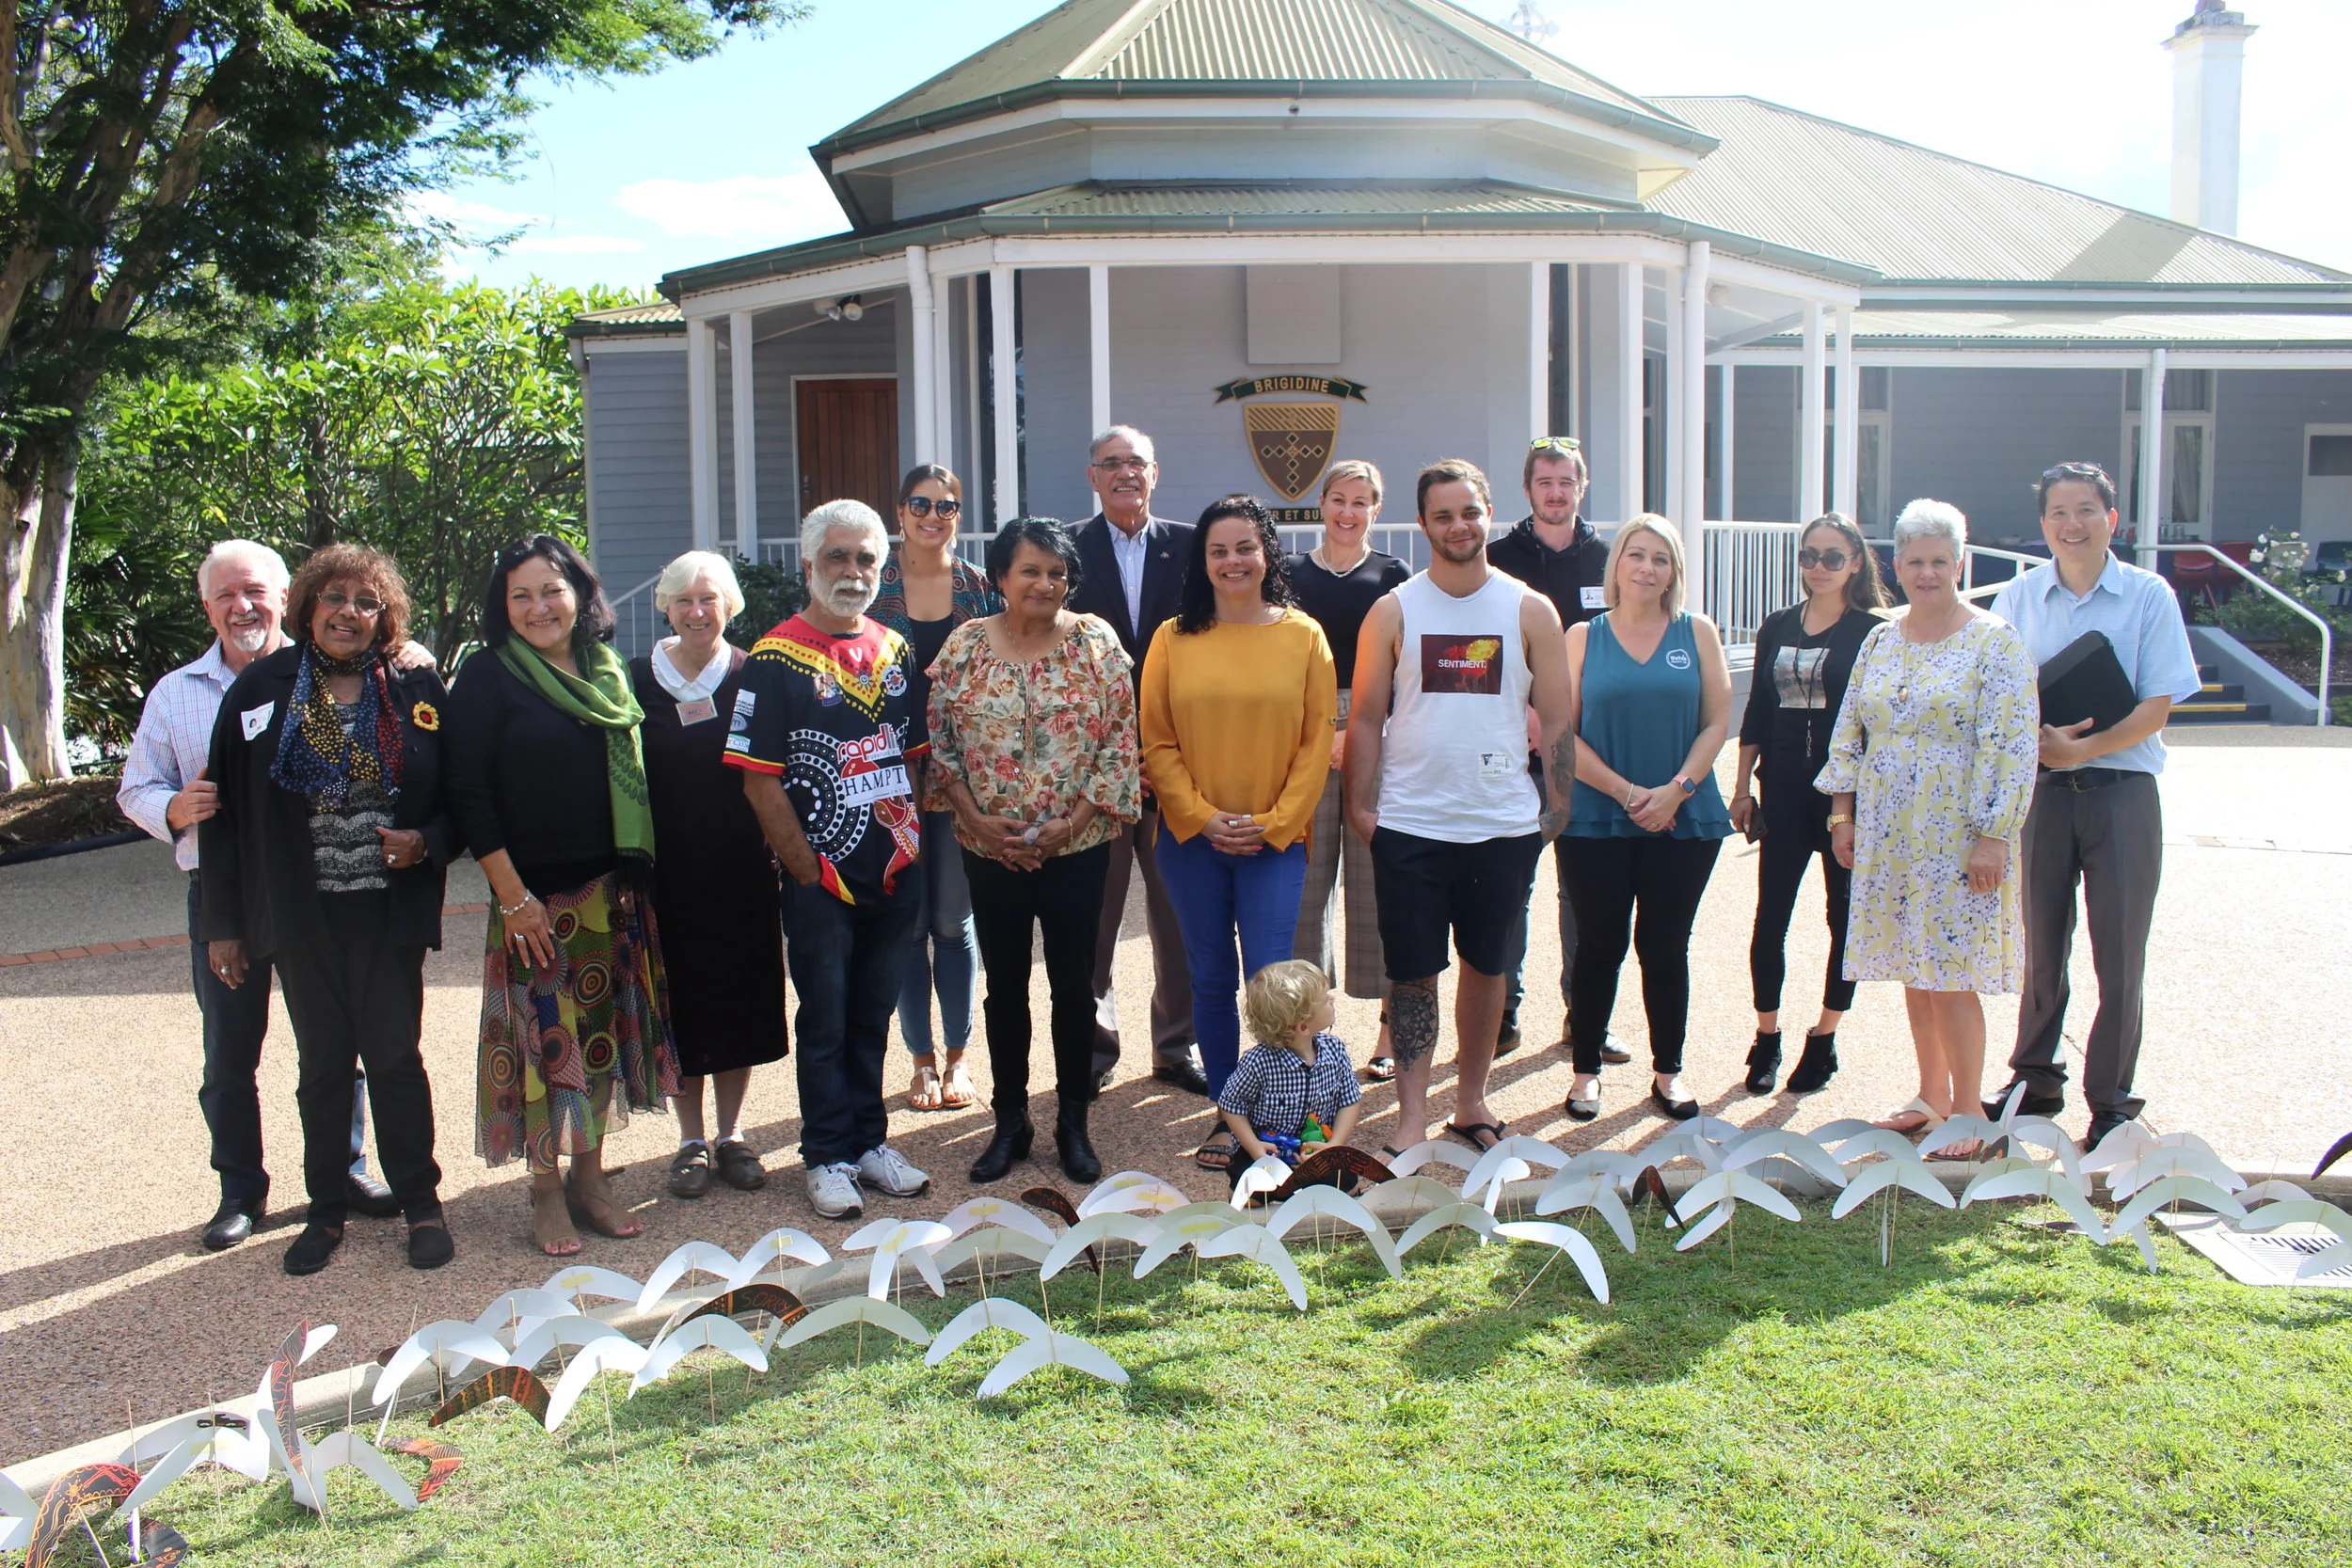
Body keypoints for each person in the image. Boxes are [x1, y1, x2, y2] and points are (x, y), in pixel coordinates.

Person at [118, 540, 396, 1252]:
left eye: (256, 592)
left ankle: (345, 1169)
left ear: (285, 599)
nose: (242, 606)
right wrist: (175, 809)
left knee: (334, 1043)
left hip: (315, 892)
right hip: (226, 894)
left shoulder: (324, 677)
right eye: (225, 595)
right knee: (230, 1050)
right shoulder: (176, 692)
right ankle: (240, 1188)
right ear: (207, 606)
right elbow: (135, 788)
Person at [199, 544, 454, 1275]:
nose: (350, 612)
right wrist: (226, 924)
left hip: (386, 911)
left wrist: (425, 842)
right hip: (300, 916)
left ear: (385, 616)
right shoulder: (258, 691)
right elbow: (224, 820)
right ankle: (326, 1210)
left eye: (367, 601)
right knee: (322, 1067)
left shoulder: (413, 686)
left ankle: (422, 1203)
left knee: (397, 1059)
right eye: (336, 597)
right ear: (308, 605)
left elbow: (457, 799)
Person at [445, 534, 680, 1256]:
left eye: (552, 590)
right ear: (502, 607)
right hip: (536, 902)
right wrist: (514, 896)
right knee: (547, 1049)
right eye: (521, 594)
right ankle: (545, 1190)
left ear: (579, 595)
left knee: (603, 1041)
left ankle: (591, 1177)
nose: (539, 606)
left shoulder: (610, 671)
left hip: (612, 894)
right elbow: (469, 793)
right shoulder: (487, 678)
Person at [1344, 459, 1576, 1155]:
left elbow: (1559, 718)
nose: (1458, 526)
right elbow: (1363, 717)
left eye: (1469, 512)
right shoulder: (1395, 609)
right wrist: (1362, 808)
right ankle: (1413, 1116)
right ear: (1422, 524)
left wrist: (1554, 810)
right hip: (1412, 823)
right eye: (1442, 515)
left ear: (1489, 513)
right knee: (1413, 974)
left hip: (1500, 825)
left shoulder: (1528, 608)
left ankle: (1471, 1101)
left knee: (1487, 967)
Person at [726, 499, 932, 1221]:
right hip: (822, 878)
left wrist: (914, 849)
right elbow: (759, 778)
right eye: (838, 557)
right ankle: (826, 1154)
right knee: (827, 1015)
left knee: (874, 1012)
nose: (853, 571)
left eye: (866, 559)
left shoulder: (895, 648)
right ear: (809, 564)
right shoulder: (774, 657)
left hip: (895, 871)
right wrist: (807, 870)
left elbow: (913, 761)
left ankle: (870, 1143)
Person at [1990, 463, 2201, 1150]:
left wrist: (2087, 747)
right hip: (2044, 798)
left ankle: (2111, 1099)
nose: (2071, 523)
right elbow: (1995, 698)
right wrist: (2040, 745)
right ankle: (2034, 1078)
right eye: (2057, 511)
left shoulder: (2147, 595)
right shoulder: (2019, 598)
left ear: (2113, 519)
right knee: (2041, 947)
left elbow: (2158, 704)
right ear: (2044, 523)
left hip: (2123, 799)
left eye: (2085, 510)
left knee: (2120, 954)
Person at [924, 517, 1141, 1184]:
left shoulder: (1097, 642)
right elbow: (942, 745)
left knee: (1074, 988)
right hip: (989, 851)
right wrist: (979, 822)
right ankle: (1010, 1121)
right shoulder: (962, 648)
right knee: (1005, 990)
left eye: (1057, 573)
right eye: (1030, 571)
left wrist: (1070, 821)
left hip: (1075, 847)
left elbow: (1117, 741)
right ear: (1000, 579)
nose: (1045, 583)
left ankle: (1072, 1121)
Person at [1820, 500, 2040, 1155]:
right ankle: (1932, 1094)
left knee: (1950, 971)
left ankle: (1971, 1112)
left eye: (1939, 560)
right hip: (1892, 832)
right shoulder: (1881, 639)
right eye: (1914, 560)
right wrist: (1841, 811)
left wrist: (1996, 834)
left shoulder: (1993, 641)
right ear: (1896, 564)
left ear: (1959, 563)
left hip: (1960, 834)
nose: (1926, 572)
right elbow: (1851, 728)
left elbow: (2014, 743)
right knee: (1914, 967)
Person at [1142, 495, 1337, 1168]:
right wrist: (1200, 815)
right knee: (1208, 977)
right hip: (1192, 842)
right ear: (1203, 560)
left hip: (1274, 844)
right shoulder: (1172, 638)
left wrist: (1277, 823)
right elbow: (1157, 741)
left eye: (1245, 548)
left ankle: (1282, 1111)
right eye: (1219, 550)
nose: (1233, 561)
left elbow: (1318, 740)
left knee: (1271, 980)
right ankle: (1230, 1116)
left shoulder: (1304, 635)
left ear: (1267, 554)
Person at [1559, 515, 1736, 1125]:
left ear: (1674, 572)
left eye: (1660, 559)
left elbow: (1717, 720)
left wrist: (1677, 789)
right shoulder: (1584, 636)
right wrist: (1630, 791)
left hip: (1682, 820)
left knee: (1665, 946)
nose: (1646, 568)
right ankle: (1586, 1072)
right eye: (1636, 555)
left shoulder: (1699, 632)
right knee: (1599, 945)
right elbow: (1562, 731)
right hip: (1595, 820)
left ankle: (1669, 1071)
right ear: (1618, 566)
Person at [629, 550, 787, 1200]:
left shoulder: (753, 674)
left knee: (739, 998)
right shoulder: (637, 677)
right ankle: (689, 1140)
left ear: (729, 606)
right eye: (685, 600)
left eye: (710, 599)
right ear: (666, 606)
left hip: (741, 866)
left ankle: (731, 1134)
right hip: (667, 870)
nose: (698, 612)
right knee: (682, 1002)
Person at [1727, 513, 1887, 1097]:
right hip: (1783, 794)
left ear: (1855, 564)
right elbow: (1757, 714)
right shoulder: (1777, 626)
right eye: (1810, 555)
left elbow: (1877, 722)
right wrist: (1743, 787)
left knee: (1843, 918)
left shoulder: (1873, 632)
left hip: (1849, 799)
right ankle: (1766, 1036)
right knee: (1772, 917)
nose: (1818, 567)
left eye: (1833, 557)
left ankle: (1824, 1038)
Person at [1068, 425, 1206, 1095]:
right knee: (1093, 916)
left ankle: (1177, 1045)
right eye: (1111, 463)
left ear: (1156, 473)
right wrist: (1114, 755)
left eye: (1136, 463)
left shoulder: (1192, 546)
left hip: (1177, 761)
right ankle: (1093, 1051)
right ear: (1092, 477)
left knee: (1178, 913)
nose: (1125, 473)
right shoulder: (1065, 550)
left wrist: (1161, 752)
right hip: (1092, 768)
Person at [1486, 436, 1622, 1064]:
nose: (1556, 490)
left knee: (1587, 890)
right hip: (1515, 746)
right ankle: (1502, 1015)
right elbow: (1479, 652)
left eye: (1566, 479)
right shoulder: (1496, 558)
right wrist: (1528, 716)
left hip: (1593, 752)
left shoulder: (1612, 560)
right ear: (1528, 488)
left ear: (1582, 486)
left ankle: (1585, 1016)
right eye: (1545, 480)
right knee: (1512, 884)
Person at [871, 464, 999, 1114]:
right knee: (906, 925)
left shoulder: (978, 587)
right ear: (899, 511)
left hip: (961, 779)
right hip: (885, 778)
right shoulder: (873, 585)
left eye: (946, 505)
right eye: (920, 502)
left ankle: (957, 1057)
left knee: (953, 920)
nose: (933, 514)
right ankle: (918, 1060)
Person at [1284, 461, 1409, 1081]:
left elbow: (1407, 666)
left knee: (1377, 884)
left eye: (1361, 501)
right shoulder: (1290, 574)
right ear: (1321, 502)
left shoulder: (1393, 576)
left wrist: (1364, 729)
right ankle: (1306, 1030)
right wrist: (1320, 733)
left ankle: (1387, 1034)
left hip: (1376, 731)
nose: (1348, 511)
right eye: (1338, 498)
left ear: (1375, 509)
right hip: (1303, 736)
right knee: (1307, 890)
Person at [1218, 960, 1364, 1197]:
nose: (1332, 1000)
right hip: (1270, 1151)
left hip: (1317, 1148)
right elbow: (1231, 1105)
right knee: (1249, 1190)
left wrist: (1334, 1145)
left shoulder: (1335, 1050)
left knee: (1348, 1185)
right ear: (1303, 1026)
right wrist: (1254, 1148)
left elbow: (1349, 1101)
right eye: (1326, 999)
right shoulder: (1258, 1062)